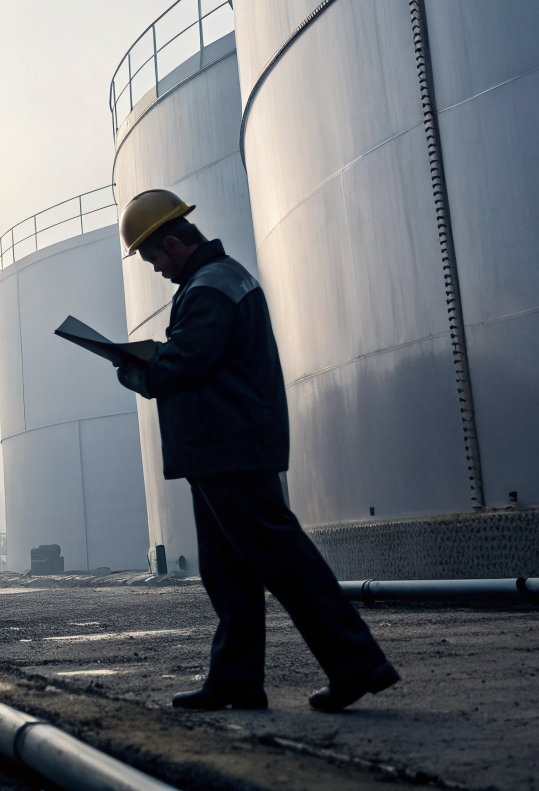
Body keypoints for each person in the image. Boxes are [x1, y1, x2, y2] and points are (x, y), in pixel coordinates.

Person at [115, 189, 399, 713]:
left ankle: (359, 663)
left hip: (229, 448)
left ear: (174, 244)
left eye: (153, 258)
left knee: (283, 561)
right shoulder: (217, 280)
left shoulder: (208, 289)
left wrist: (133, 368)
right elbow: (201, 358)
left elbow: (185, 363)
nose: (155, 269)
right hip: (220, 447)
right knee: (228, 573)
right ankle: (236, 681)